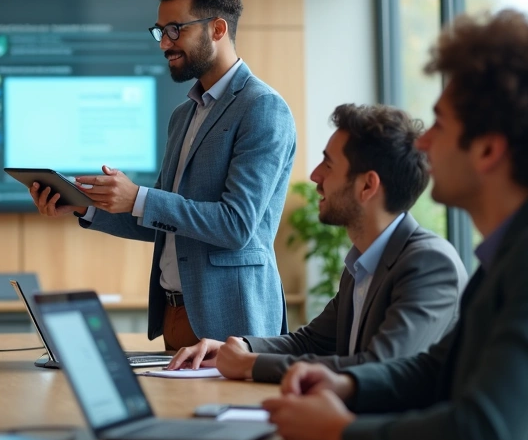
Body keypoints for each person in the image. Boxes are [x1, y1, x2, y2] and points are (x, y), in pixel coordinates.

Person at [262, 11, 528, 440]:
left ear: (488, 149)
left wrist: (340, 431)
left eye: (439, 124)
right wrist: (347, 385)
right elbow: (434, 370)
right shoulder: (519, 246)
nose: (423, 145)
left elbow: (484, 438)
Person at [30, 0, 297, 348]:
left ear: (217, 29)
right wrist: (84, 205)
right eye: (160, 31)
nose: (164, 44)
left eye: (175, 30)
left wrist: (139, 197)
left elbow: (237, 225)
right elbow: (162, 222)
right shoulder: (183, 115)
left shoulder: (262, 107)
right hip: (175, 313)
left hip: (234, 322)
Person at [167, 104, 465, 382]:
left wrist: (252, 364)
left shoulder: (429, 263)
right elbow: (311, 342)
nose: (314, 175)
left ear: (367, 185)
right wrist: (240, 347)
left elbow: (379, 366)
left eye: (329, 165)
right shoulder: (362, 263)